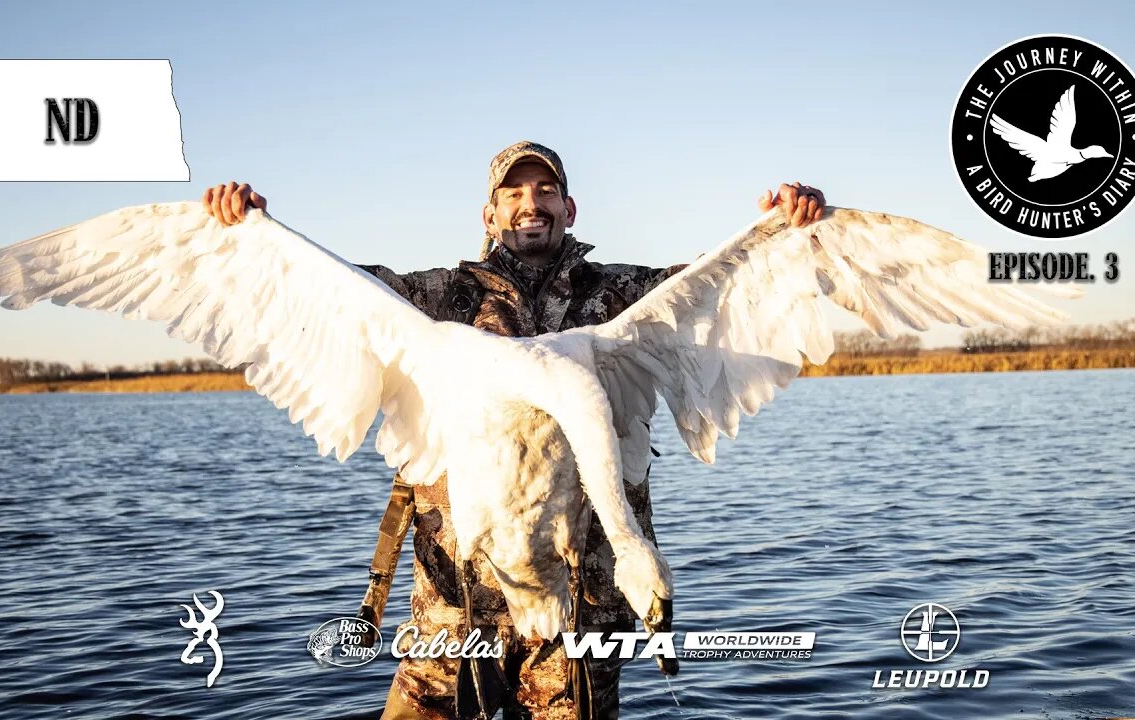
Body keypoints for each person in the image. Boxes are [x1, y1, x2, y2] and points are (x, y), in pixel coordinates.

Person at [202, 141, 826, 720]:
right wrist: (251, 231)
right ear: (489, 213)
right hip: (455, 604)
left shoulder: (619, 299)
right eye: (514, 193)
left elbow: (730, 286)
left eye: (546, 190)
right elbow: (326, 285)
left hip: (578, 610)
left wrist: (788, 233)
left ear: (569, 207)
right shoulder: (439, 300)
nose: (532, 204)